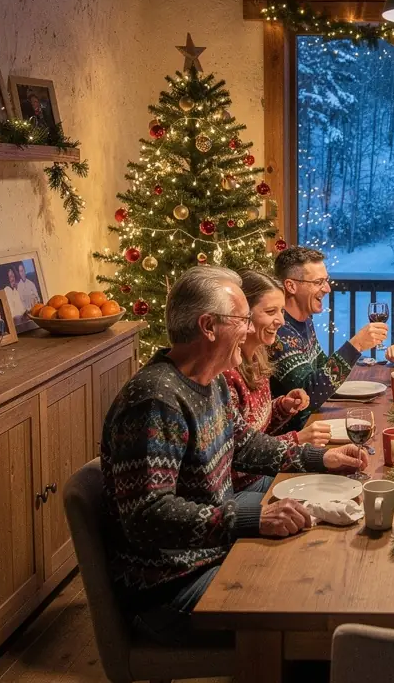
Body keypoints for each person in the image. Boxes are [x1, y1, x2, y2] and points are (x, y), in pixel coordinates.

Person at [100, 265, 366, 647]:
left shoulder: (210, 383)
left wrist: (320, 459)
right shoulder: (157, 400)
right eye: (242, 319)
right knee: (306, 608)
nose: (249, 329)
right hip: (169, 587)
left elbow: (245, 445)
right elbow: (147, 516)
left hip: (211, 554)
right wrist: (250, 518)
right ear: (209, 326)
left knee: (319, 560)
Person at [268, 246, 388, 427]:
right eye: (318, 282)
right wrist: (355, 345)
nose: (327, 288)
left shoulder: (305, 320)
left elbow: (322, 368)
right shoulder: (279, 331)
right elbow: (309, 395)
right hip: (297, 432)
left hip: (314, 421)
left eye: (326, 280)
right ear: (291, 286)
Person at [223, 270, 318, 441]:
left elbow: (257, 426)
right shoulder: (227, 372)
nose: (281, 321)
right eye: (270, 311)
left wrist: (283, 406)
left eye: (282, 311)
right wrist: (296, 439)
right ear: (243, 314)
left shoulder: (259, 356)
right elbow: (241, 448)